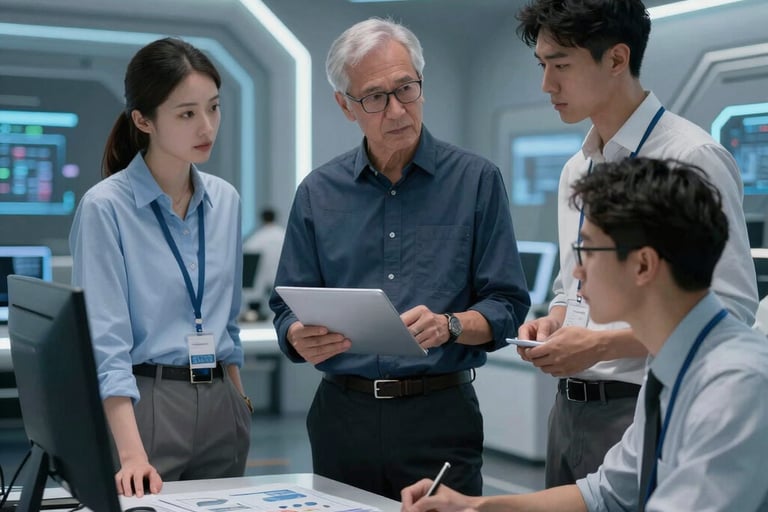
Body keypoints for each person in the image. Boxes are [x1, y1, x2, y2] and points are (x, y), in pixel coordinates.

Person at [402, 157, 768, 512]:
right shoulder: (671, 362)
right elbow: (605, 494)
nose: (576, 271)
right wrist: (473, 505)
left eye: (588, 250)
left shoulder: (736, 386)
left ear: (643, 265)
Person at [269, 17, 530, 500]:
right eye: (374, 97)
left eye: (406, 88)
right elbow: (286, 306)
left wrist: (451, 325)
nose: (396, 110)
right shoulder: (317, 192)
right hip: (341, 417)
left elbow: (508, 303)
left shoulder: (476, 181)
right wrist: (296, 336)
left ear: (421, 85)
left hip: (439, 416)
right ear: (345, 106)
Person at [514, 0, 758, 488]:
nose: (547, 85)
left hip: (642, 406)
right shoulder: (576, 170)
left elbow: (732, 310)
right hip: (567, 412)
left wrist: (601, 344)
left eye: (561, 65)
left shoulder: (691, 158)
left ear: (617, 59)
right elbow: (571, 287)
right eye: (542, 65)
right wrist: (555, 320)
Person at [69, 37, 252, 497]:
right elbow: (105, 344)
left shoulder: (225, 200)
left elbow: (226, 320)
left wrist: (239, 401)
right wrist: (131, 454)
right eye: (186, 113)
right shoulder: (105, 208)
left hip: (220, 403)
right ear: (143, 120)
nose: (206, 126)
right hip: (145, 406)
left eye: (213, 107)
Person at [243, 207, 285, 319]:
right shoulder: (282, 234)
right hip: (282, 273)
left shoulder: (257, 237)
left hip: (263, 274)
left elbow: (247, 253)